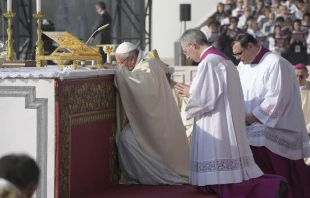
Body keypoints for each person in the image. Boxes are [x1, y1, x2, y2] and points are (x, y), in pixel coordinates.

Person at [175, 28, 289, 198]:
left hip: (216, 123)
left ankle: (272, 186)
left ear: (193, 44)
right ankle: (271, 185)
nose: (187, 57)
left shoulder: (209, 62)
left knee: (222, 179)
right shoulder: (224, 60)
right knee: (226, 177)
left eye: (186, 51)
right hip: (225, 121)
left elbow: (205, 99)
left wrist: (190, 96)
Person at [232, 33, 310, 198]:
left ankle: (272, 188)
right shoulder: (242, 66)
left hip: (279, 125)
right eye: (235, 55)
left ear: (251, 46)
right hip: (251, 121)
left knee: (256, 136)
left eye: (240, 53)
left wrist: (249, 118)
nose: (238, 58)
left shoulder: (276, 63)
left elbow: (276, 100)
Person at [103, 42, 190, 185]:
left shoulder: (149, 65)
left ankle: (150, 176)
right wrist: (119, 68)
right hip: (156, 117)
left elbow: (138, 82)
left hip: (156, 122)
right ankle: (140, 176)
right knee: (126, 138)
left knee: (126, 139)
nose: (120, 66)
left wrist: (115, 69)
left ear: (131, 59)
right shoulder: (149, 63)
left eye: (121, 63)